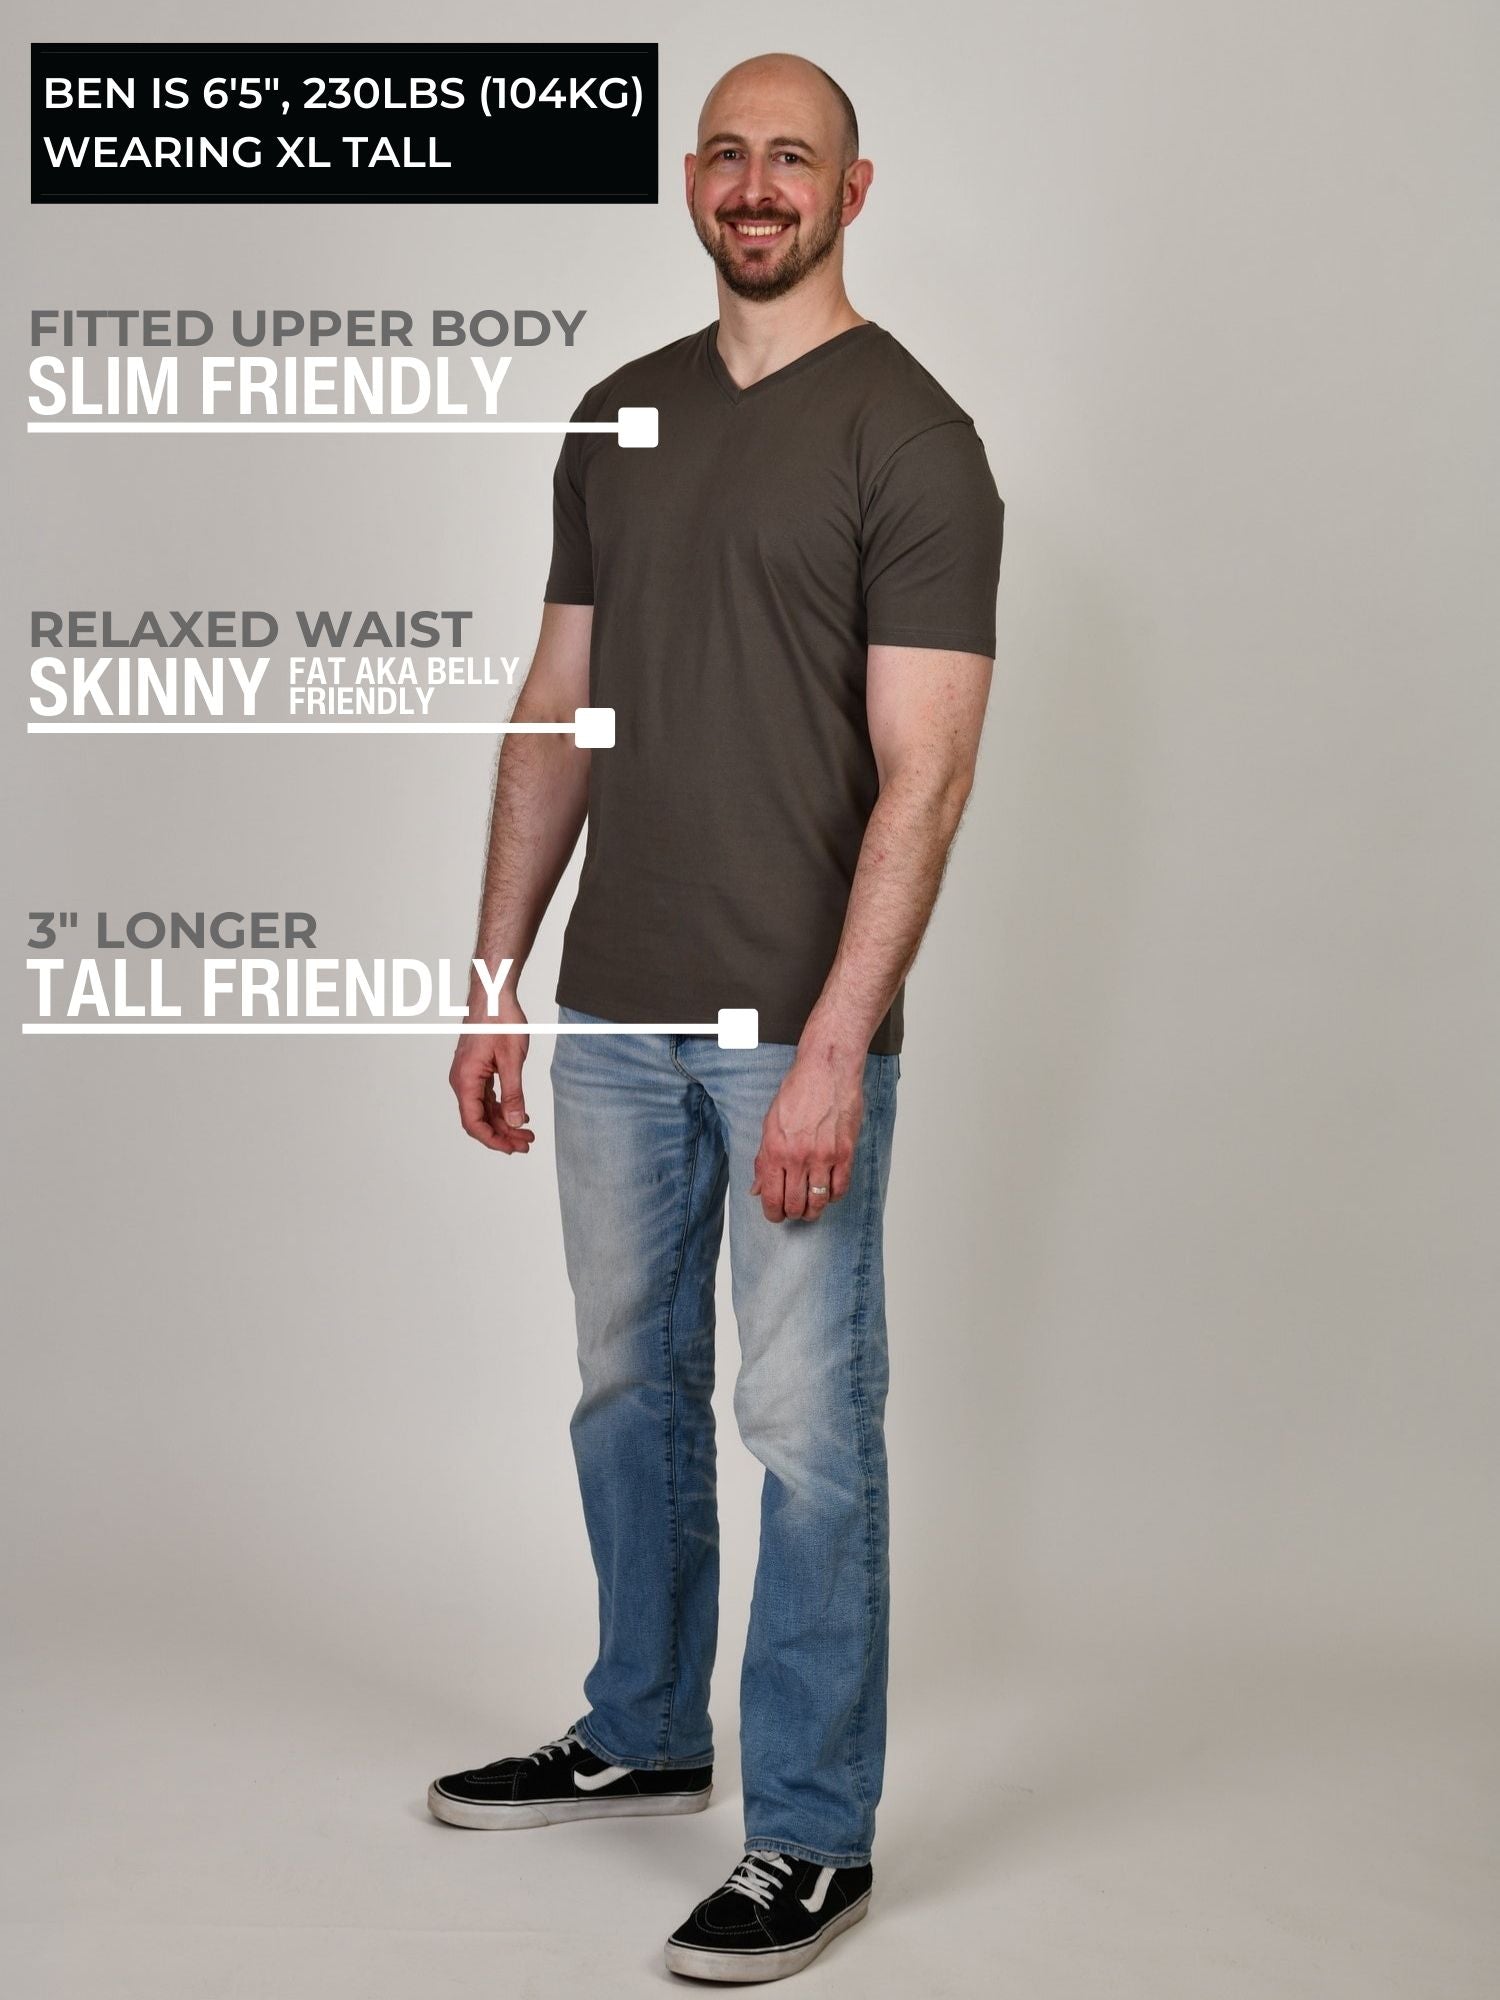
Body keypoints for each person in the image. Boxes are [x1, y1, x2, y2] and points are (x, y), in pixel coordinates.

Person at [432, 50, 1004, 1983]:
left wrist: (842, 1038)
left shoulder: (912, 441)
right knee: (625, 1389)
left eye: (798, 160)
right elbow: (553, 704)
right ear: (696, 179)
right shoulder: (622, 418)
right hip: (612, 1015)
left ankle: (816, 1836)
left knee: (807, 1429)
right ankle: (644, 1730)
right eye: (732, 155)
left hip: (791, 1029)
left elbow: (925, 774)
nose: (759, 186)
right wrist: (496, 969)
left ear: (856, 190)